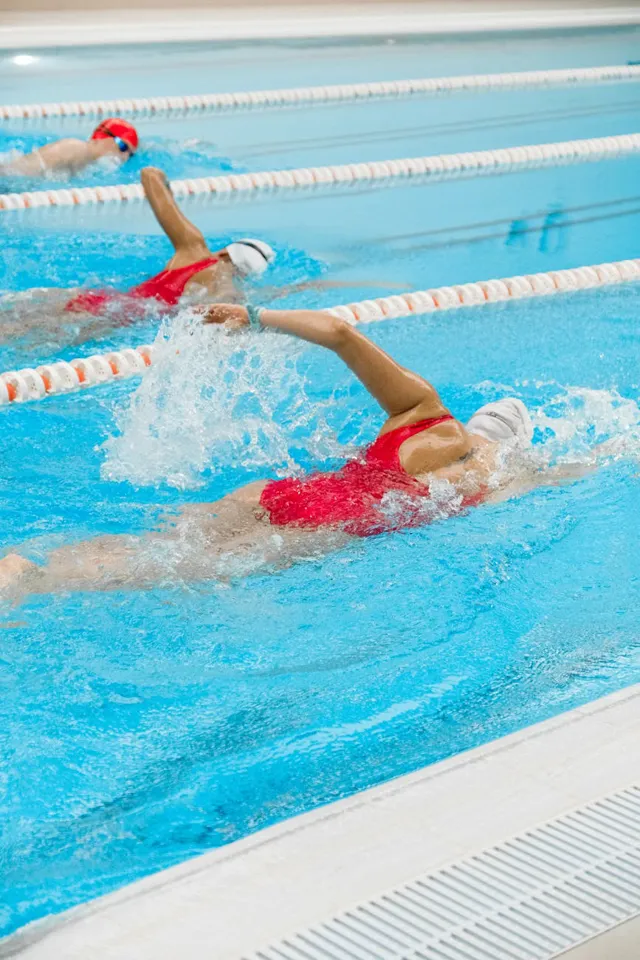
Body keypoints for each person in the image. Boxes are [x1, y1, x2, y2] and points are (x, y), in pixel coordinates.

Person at [0, 303, 539, 600]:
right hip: (334, 520)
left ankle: (25, 564)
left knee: (160, 539)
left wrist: (253, 315)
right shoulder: (494, 478)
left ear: (474, 417)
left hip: (290, 491)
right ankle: (37, 585)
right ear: (511, 442)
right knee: (180, 568)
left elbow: (338, 332)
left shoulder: (420, 410)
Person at [64, 166, 276, 318]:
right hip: (116, 320)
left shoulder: (196, 251)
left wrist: (166, 186)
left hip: (98, 304)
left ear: (224, 253)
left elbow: (149, 175)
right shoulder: (230, 292)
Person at [1, 118, 139, 178]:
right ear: (105, 136)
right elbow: (20, 170)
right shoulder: (76, 148)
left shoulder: (85, 162)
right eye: (123, 146)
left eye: (130, 155)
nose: (125, 157)